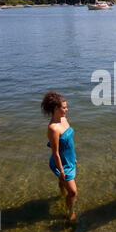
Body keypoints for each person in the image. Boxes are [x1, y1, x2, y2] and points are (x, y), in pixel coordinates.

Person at [41, 91, 77, 222]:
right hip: (61, 162)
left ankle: (62, 190)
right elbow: (55, 153)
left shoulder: (64, 119)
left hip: (70, 158)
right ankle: (71, 212)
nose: (67, 109)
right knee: (73, 192)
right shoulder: (53, 129)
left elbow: (69, 140)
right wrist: (62, 171)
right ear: (56, 108)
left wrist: (74, 156)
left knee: (65, 186)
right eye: (64, 107)